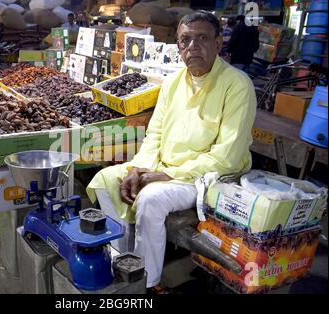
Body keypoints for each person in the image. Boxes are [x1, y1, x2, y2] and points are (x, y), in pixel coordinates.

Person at [86, 11, 256, 293]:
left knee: (151, 199)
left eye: (202, 38)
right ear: (178, 47)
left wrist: (164, 175)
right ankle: (123, 260)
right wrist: (137, 169)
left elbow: (226, 156)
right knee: (106, 179)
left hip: (209, 177)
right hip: (165, 168)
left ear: (218, 43)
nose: (193, 47)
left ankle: (148, 283)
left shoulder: (237, 84)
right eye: (185, 40)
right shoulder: (173, 82)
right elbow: (155, 135)